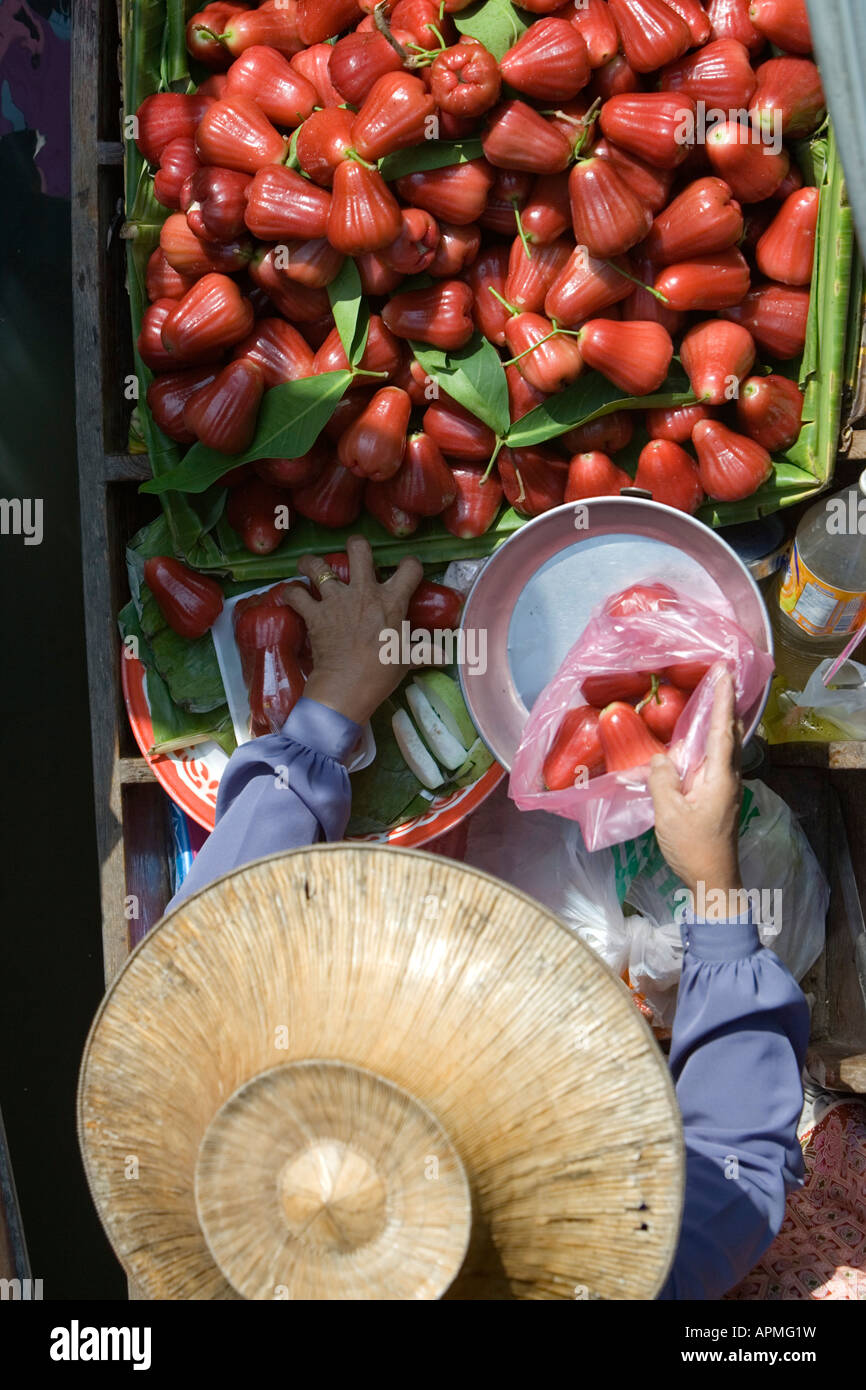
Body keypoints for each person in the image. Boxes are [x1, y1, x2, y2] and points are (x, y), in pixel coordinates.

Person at [168, 535, 809, 1301]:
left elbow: (217, 933)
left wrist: (330, 705)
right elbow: (738, 1158)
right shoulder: (633, 1271)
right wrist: (713, 878)